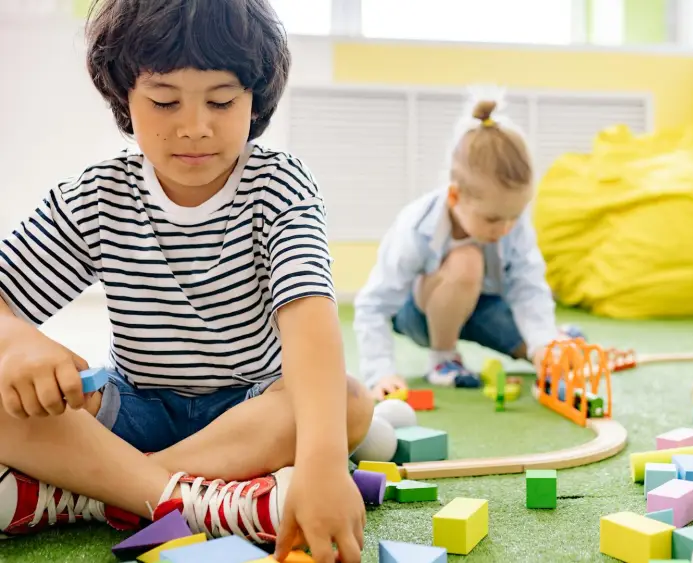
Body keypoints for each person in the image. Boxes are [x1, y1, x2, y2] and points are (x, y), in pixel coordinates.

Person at [0, 1, 371, 562]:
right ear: (125, 94)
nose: (194, 127)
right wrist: (18, 342)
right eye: (165, 100)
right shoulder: (99, 194)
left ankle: (95, 494)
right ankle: (192, 499)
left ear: (255, 98)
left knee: (344, 401)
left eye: (221, 101)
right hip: (130, 410)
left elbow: (311, 325)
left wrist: (322, 465)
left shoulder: (280, 188)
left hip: (247, 417)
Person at [354, 96, 577, 399]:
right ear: (456, 197)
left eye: (515, 216)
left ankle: (556, 337)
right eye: (494, 219)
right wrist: (380, 372)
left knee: (544, 352)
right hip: (421, 315)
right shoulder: (417, 226)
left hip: (483, 309)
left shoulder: (511, 223)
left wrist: (543, 345)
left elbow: (528, 287)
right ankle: (444, 360)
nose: (506, 228)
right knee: (467, 261)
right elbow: (374, 305)